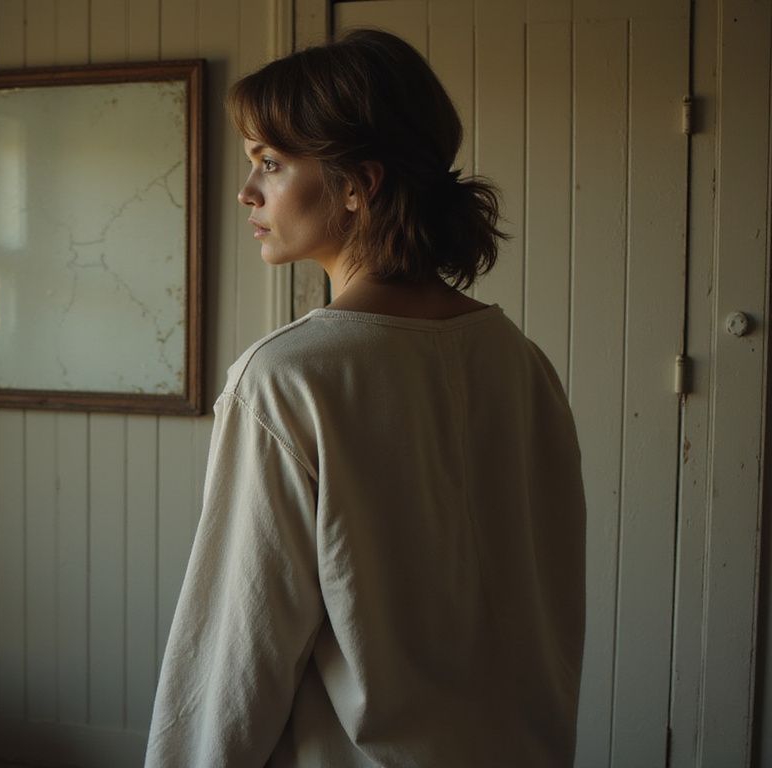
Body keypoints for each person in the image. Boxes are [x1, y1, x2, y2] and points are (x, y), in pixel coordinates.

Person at [144, 29, 586, 768]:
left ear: (359, 183)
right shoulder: (522, 363)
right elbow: (551, 617)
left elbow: (235, 654)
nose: (247, 191)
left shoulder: (285, 379)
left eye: (271, 163)